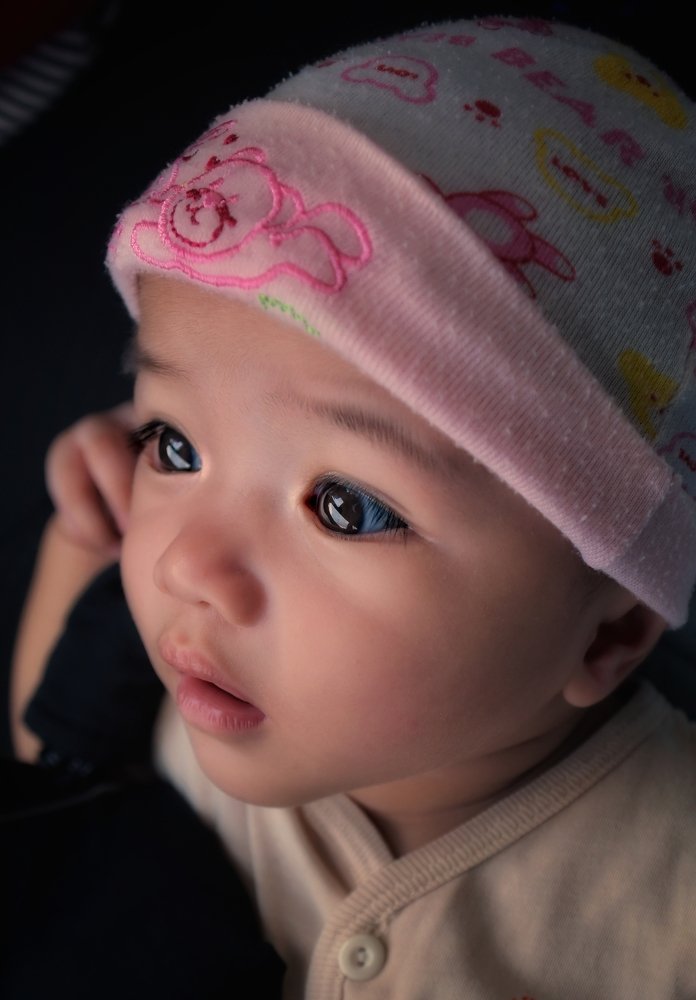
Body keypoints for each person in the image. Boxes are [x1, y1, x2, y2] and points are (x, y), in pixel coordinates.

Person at [11, 15, 696, 999]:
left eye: (345, 507)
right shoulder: (147, 684)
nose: (182, 564)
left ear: (611, 632)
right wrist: (83, 532)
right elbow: (51, 777)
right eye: (175, 443)